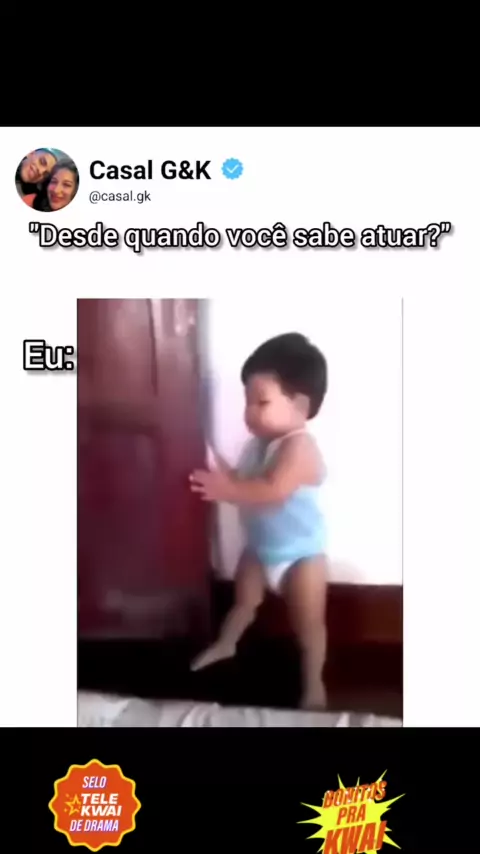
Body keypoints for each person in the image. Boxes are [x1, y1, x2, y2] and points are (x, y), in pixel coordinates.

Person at [189, 332, 329, 709]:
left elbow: (272, 490)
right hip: (260, 549)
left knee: (308, 626)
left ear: (300, 405)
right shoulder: (257, 446)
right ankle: (226, 644)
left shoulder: (299, 448)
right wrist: (215, 463)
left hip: (301, 556)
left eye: (261, 402)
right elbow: (242, 479)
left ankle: (314, 682)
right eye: (247, 402)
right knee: (242, 603)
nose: (250, 412)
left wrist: (227, 490)